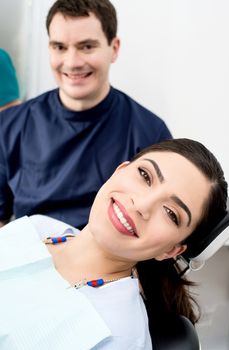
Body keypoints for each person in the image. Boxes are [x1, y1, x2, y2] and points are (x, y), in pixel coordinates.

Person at [0, 138, 227, 349]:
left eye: (170, 213)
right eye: (145, 176)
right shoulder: (40, 226)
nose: (141, 204)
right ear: (120, 169)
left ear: (171, 250)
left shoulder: (118, 337)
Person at [0, 0, 172, 229]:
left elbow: (157, 227)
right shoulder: (11, 125)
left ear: (114, 48)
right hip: (32, 259)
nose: (72, 62)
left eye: (87, 46)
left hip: (110, 264)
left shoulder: (150, 133)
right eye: (59, 47)